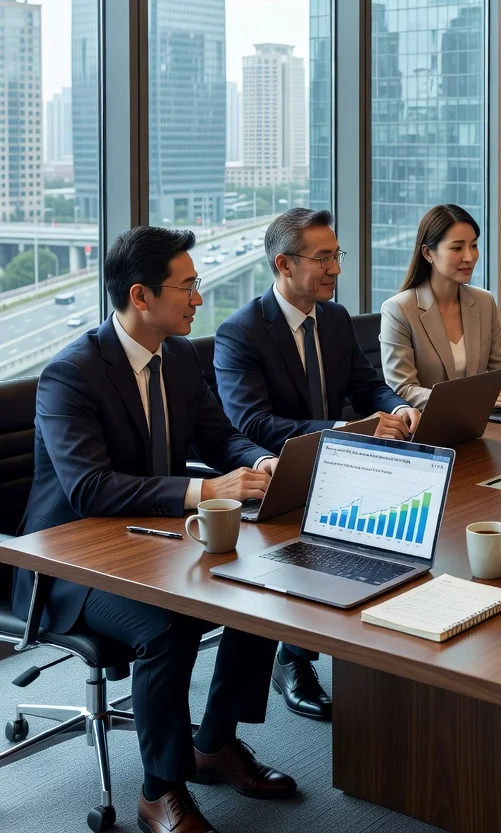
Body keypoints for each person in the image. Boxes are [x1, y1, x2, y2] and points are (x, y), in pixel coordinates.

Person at [14, 227, 296, 833]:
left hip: (147, 543)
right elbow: (90, 488)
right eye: (188, 286)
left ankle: (213, 742)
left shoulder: (181, 358)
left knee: (268, 585)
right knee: (167, 623)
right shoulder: (72, 375)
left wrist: (257, 462)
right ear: (141, 296)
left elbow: (219, 437)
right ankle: (159, 790)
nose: (199, 297)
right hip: (67, 563)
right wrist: (207, 491)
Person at [215, 208, 419, 722]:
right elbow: (254, 421)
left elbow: (366, 384)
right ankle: (295, 657)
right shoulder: (240, 333)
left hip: (340, 464)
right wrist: (341, 434)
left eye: (337, 256)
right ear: (284, 264)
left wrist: (395, 407)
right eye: (322, 258)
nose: (335, 269)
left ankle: (382, 647)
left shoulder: (334, 319)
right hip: (278, 474)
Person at [380, 204, 501, 411]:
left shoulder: (483, 301)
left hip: (479, 424)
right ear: (427, 253)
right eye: (457, 248)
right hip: (428, 428)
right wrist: (474, 399)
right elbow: (403, 389)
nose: (469, 257)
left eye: (474, 245)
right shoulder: (398, 309)